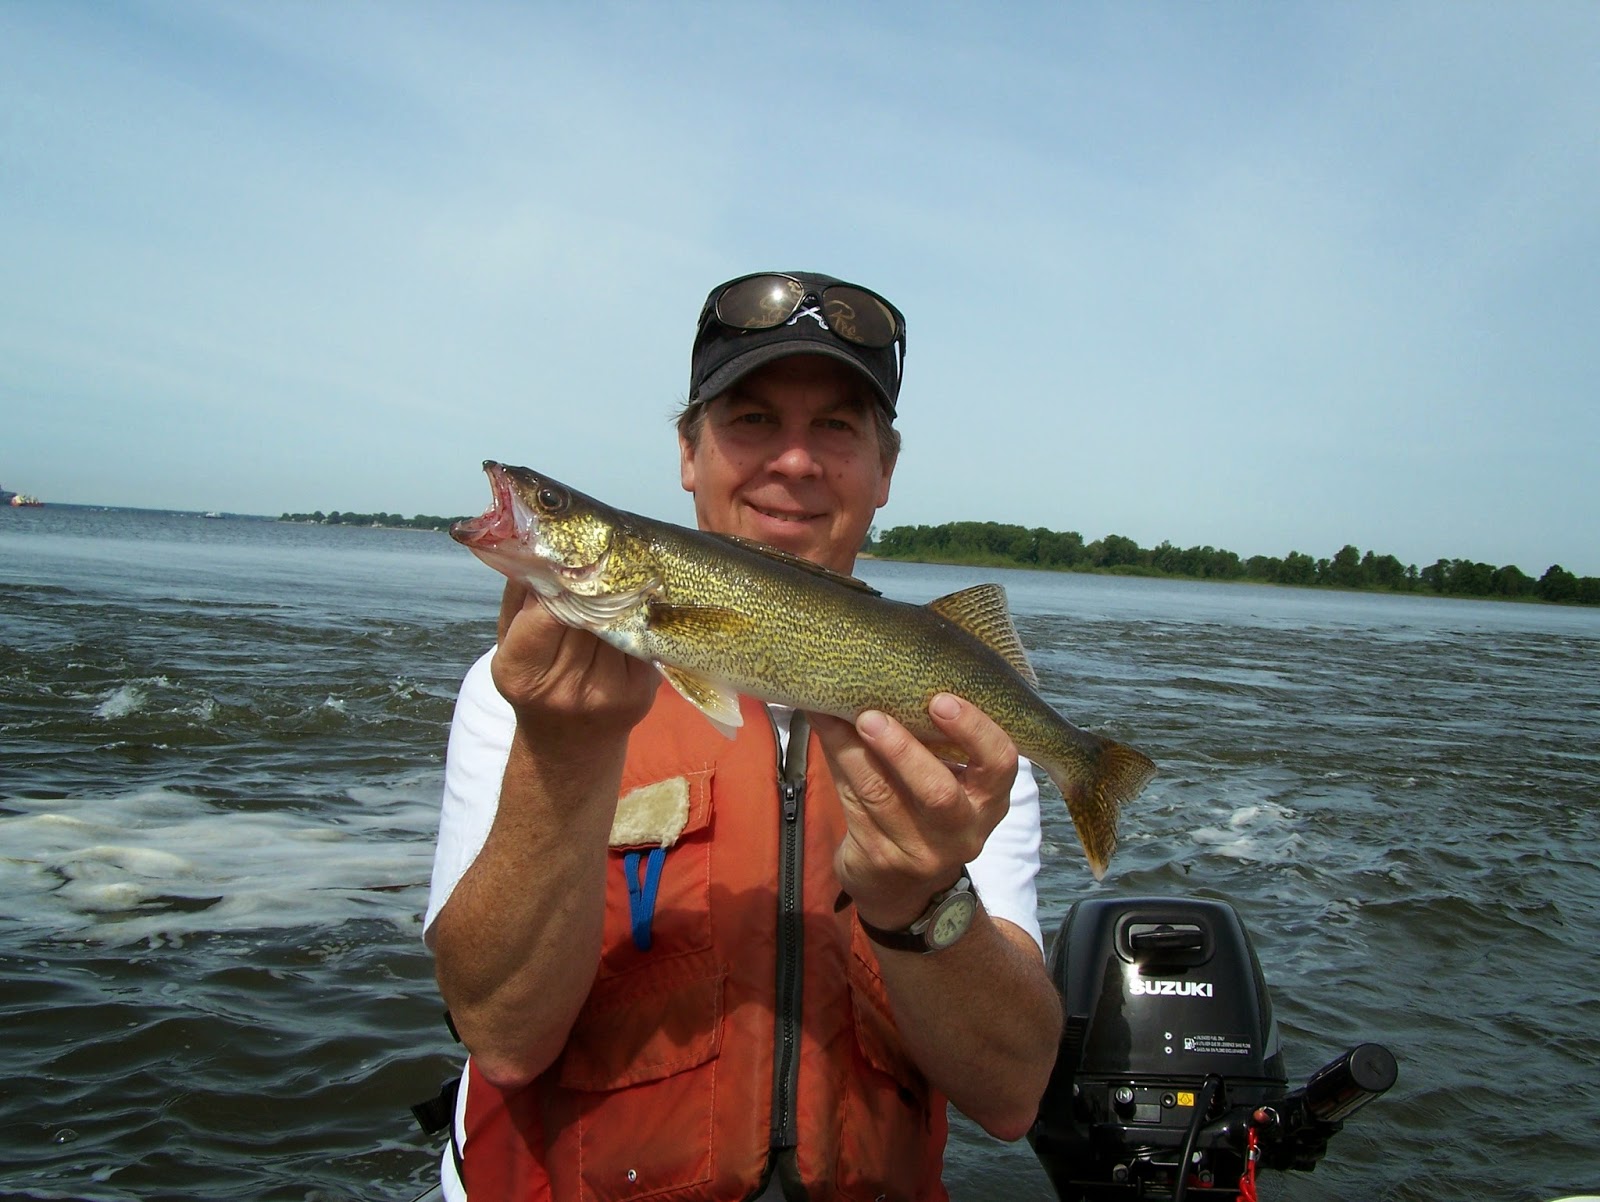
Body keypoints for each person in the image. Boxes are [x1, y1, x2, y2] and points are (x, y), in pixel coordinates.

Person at [424, 271, 1063, 1201]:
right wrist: (563, 759)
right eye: (754, 420)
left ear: (884, 471)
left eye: (835, 427)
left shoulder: (966, 746)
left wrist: (923, 900)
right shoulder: (523, 692)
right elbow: (502, 1039)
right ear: (689, 453)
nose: (794, 462)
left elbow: (1011, 1097)